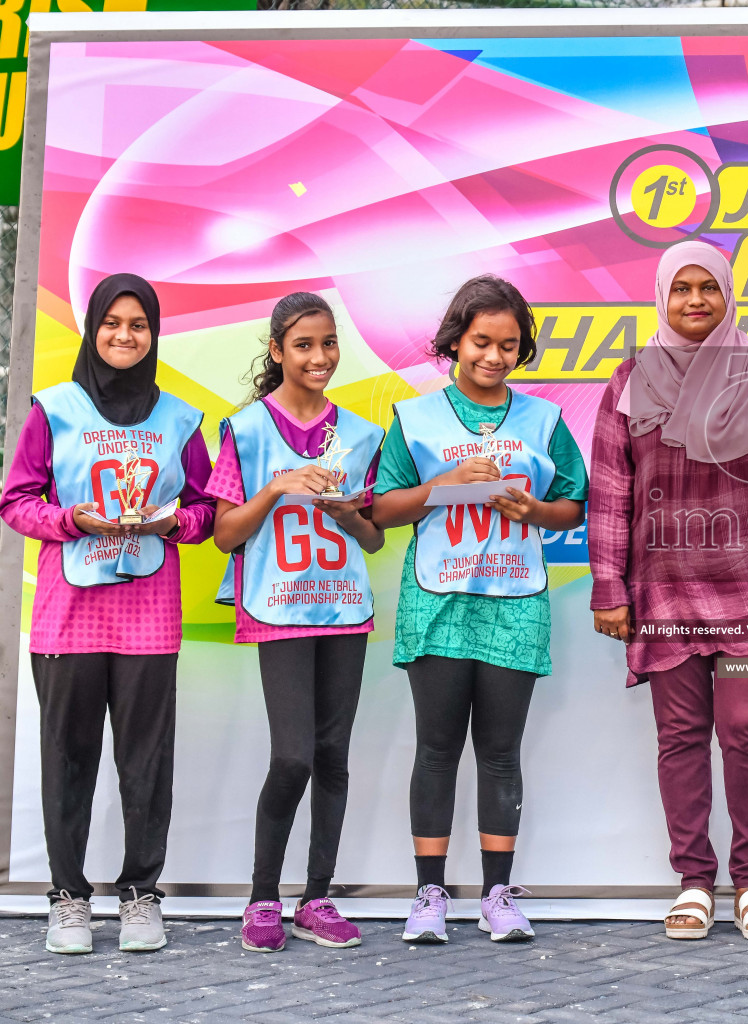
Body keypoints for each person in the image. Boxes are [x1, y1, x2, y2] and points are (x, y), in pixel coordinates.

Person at [587, 240, 748, 941]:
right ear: (661, 298)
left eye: (709, 288)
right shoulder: (630, 380)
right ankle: (694, 881)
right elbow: (611, 492)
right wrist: (610, 587)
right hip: (664, 589)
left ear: (729, 295)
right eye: (681, 289)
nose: (696, 300)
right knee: (681, 736)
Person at [0, 274, 213, 954]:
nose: (125, 335)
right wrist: (70, 520)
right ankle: (68, 898)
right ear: (94, 329)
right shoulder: (54, 409)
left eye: (139, 325)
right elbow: (16, 500)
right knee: (68, 759)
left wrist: (171, 524)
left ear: (154, 335)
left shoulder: (179, 419)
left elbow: (208, 509)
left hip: (150, 615)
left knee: (146, 761)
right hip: (69, 615)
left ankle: (142, 895)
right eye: (113, 323)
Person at [373, 275, 588, 945]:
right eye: (481, 342)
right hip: (438, 600)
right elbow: (379, 508)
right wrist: (443, 487)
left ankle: (498, 894)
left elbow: (574, 504)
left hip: (516, 599)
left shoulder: (543, 420)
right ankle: (428, 894)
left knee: (500, 753)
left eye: (509, 344)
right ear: (456, 342)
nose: (494, 356)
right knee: (436, 750)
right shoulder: (415, 418)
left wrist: (535, 511)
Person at [209, 293, 385, 953]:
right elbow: (224, 535)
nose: (319, 357)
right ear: (278, 350)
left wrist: (348, 515)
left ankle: (316, 897)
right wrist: (275, 488)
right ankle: (261, 900)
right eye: (304, 344)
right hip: (277, 603)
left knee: (333, 756)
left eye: (329, 343)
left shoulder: (362, 435)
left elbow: (371, 540)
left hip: (342, 604)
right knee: (292, 755)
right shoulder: (247, 429)